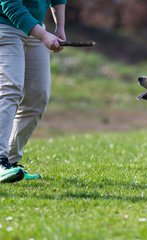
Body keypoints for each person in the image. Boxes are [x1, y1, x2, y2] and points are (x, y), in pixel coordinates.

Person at [0, 0, 67, 183]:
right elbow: (10, 4)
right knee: (10, 89)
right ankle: (0, 160)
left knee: (38, 95)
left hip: (35, 27)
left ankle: (10, 163)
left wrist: (59, 28)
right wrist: (44, 35)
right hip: (5, 24)